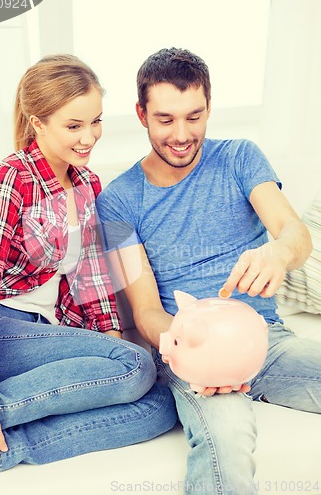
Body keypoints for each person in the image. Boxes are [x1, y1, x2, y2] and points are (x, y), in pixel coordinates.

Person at [96, 47, 321, 494]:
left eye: (194, 117)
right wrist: (203, 357)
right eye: (165, 120)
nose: (181, 134)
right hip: (192, 353)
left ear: (210, 107)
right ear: (141, 114)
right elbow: (145, 314)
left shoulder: (240, 158)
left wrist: (277, 254)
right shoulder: (117, 202)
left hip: (266, 342)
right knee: (229, 437)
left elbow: (295, 234)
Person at [0, 54, 177, 472]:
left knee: (160, 400)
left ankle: (3, 444)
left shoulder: (86, 183)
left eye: (95, 121)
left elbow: (92, 279)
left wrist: (111, 342)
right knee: (136, 365)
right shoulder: (10, 179)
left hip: (45, 332)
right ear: (37, 123)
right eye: (74, 126)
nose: (89, 137)